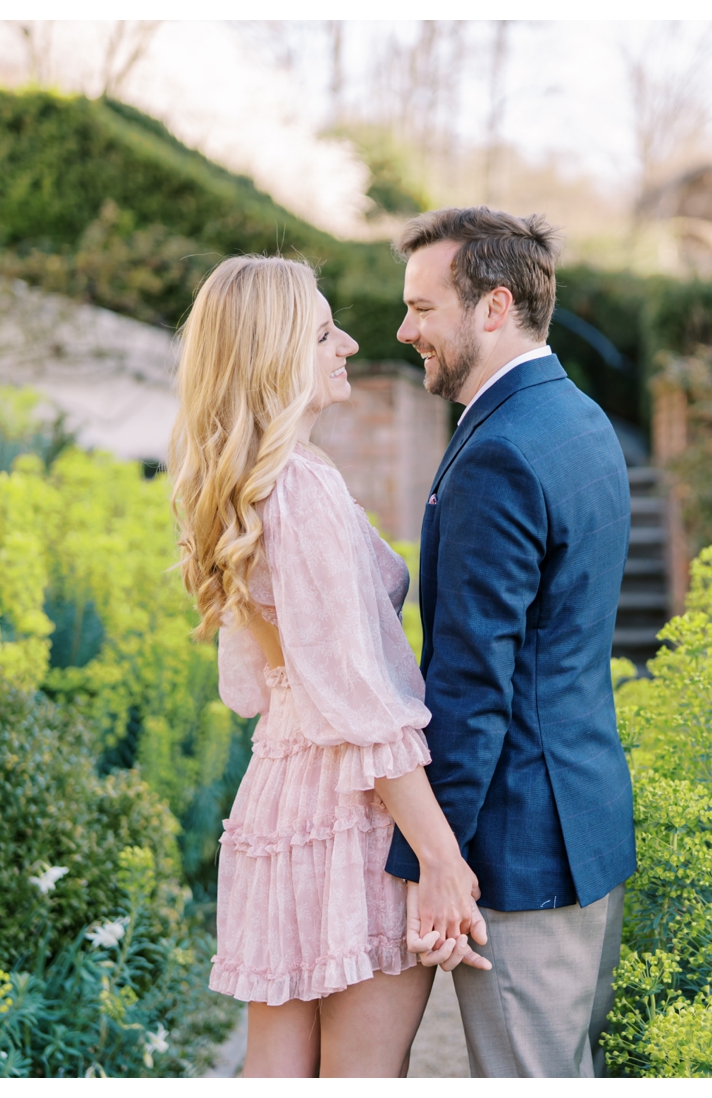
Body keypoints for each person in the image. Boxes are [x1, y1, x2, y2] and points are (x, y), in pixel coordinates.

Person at [170, 256, 488, 1078]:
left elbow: (257, 686)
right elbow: (359, 705)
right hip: (348, 808)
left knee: (275, 1070)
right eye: (321, 333)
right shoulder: (301, 489)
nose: (348, 342)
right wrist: (442, 859)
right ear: (274, 357)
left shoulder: (243, 484)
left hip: (277, 799)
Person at [385, 208, 637, 1077]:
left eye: (423, 307)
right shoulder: (578, 418)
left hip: (521, 848)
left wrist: (437, 858)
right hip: (584, 824)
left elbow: (471, 686)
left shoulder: (499, 452)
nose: (403, 329)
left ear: (494, 308)